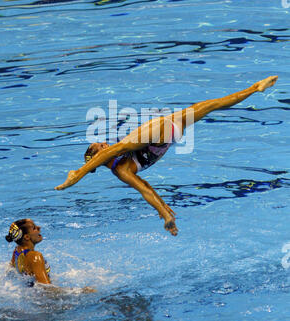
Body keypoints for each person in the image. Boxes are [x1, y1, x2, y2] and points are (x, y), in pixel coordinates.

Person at [55, 76, 278, 236]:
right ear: (97, 158)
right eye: (100, 146)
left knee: (211, 105)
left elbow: (147, 188)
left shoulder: (122, 164)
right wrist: (164, 213)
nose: (104, 143)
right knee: (120, 147)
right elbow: (143, 189)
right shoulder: (120, 168)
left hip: (164, 136)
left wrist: (165, 212)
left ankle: (254, 88)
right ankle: (77, 175)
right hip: (159, 136)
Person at [6, 219, 95, 292]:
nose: (39, 228)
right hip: (44, 303)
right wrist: (79, 291)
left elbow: (10, 271)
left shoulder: (17, 251)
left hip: (32, 295)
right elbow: (47, 289)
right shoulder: (35, 257)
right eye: (34, 228)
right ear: (27, 237)